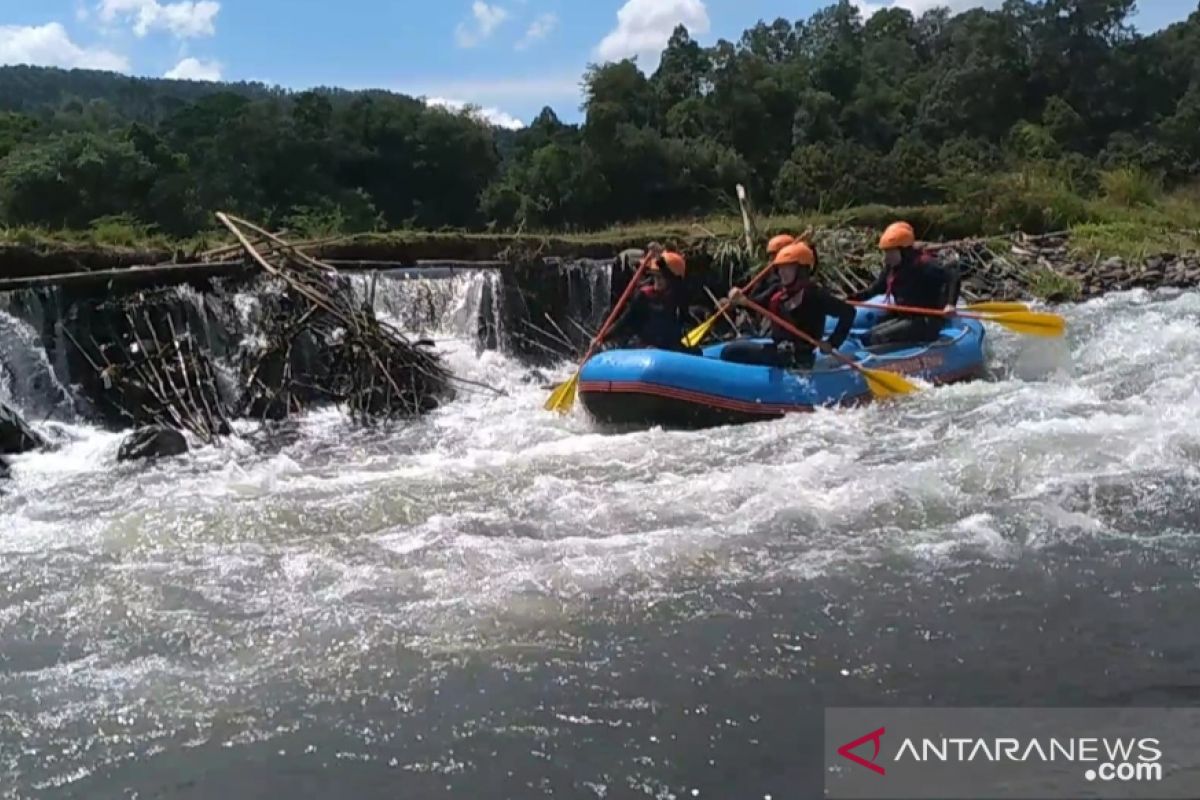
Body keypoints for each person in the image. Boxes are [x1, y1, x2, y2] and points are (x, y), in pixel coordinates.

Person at [719, 242, 855, 370]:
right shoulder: (777, 292)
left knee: (733, 352)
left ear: (801, 270)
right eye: (780, 268)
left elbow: (849, 312)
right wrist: (737, 300)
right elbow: (753, 304)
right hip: (777, 350)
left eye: (788, 268)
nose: (781, 272)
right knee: (730, 351)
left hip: (800, 357)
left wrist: (833, 342)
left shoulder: (816, 296)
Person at [850, 222, 961, 345]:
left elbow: (953, 276)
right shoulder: (892, 269)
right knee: (867, 336)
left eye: (890, 252)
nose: (886, 258)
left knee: (877, 337)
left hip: (926, 322)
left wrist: (951, 304)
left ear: (903, 251)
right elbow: (875, 289)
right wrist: (850, 299)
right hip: (905, 318)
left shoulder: (924, 265)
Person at [607, 250, 693, 352]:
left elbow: (684, 319)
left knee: (696, 352)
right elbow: (624, 321)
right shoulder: (644, 297)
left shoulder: (678, 297)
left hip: (669, 348)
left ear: (672, 280)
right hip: (645, 348)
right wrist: (604, 337)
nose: (657, 281)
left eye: (661, 277)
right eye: (655, 276)